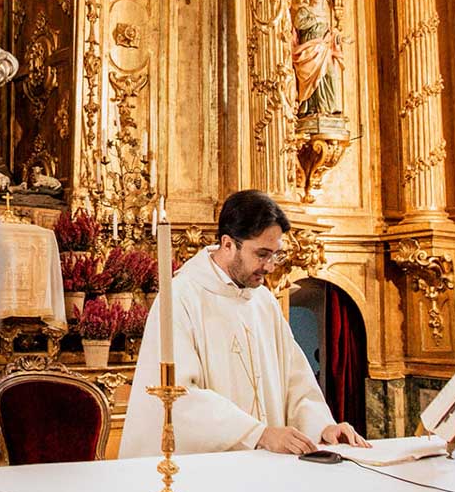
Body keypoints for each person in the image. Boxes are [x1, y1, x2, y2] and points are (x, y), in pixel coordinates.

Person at [119, 190, 368, 457]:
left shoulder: (263, 301)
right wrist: (257, 434)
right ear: (228, 244)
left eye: (275, 255)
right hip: (208, 472)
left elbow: (295, 380)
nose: (270, 266)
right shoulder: (180, 297)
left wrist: (323, 427)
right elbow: (178, 396)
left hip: (263, 467)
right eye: (262, 254)